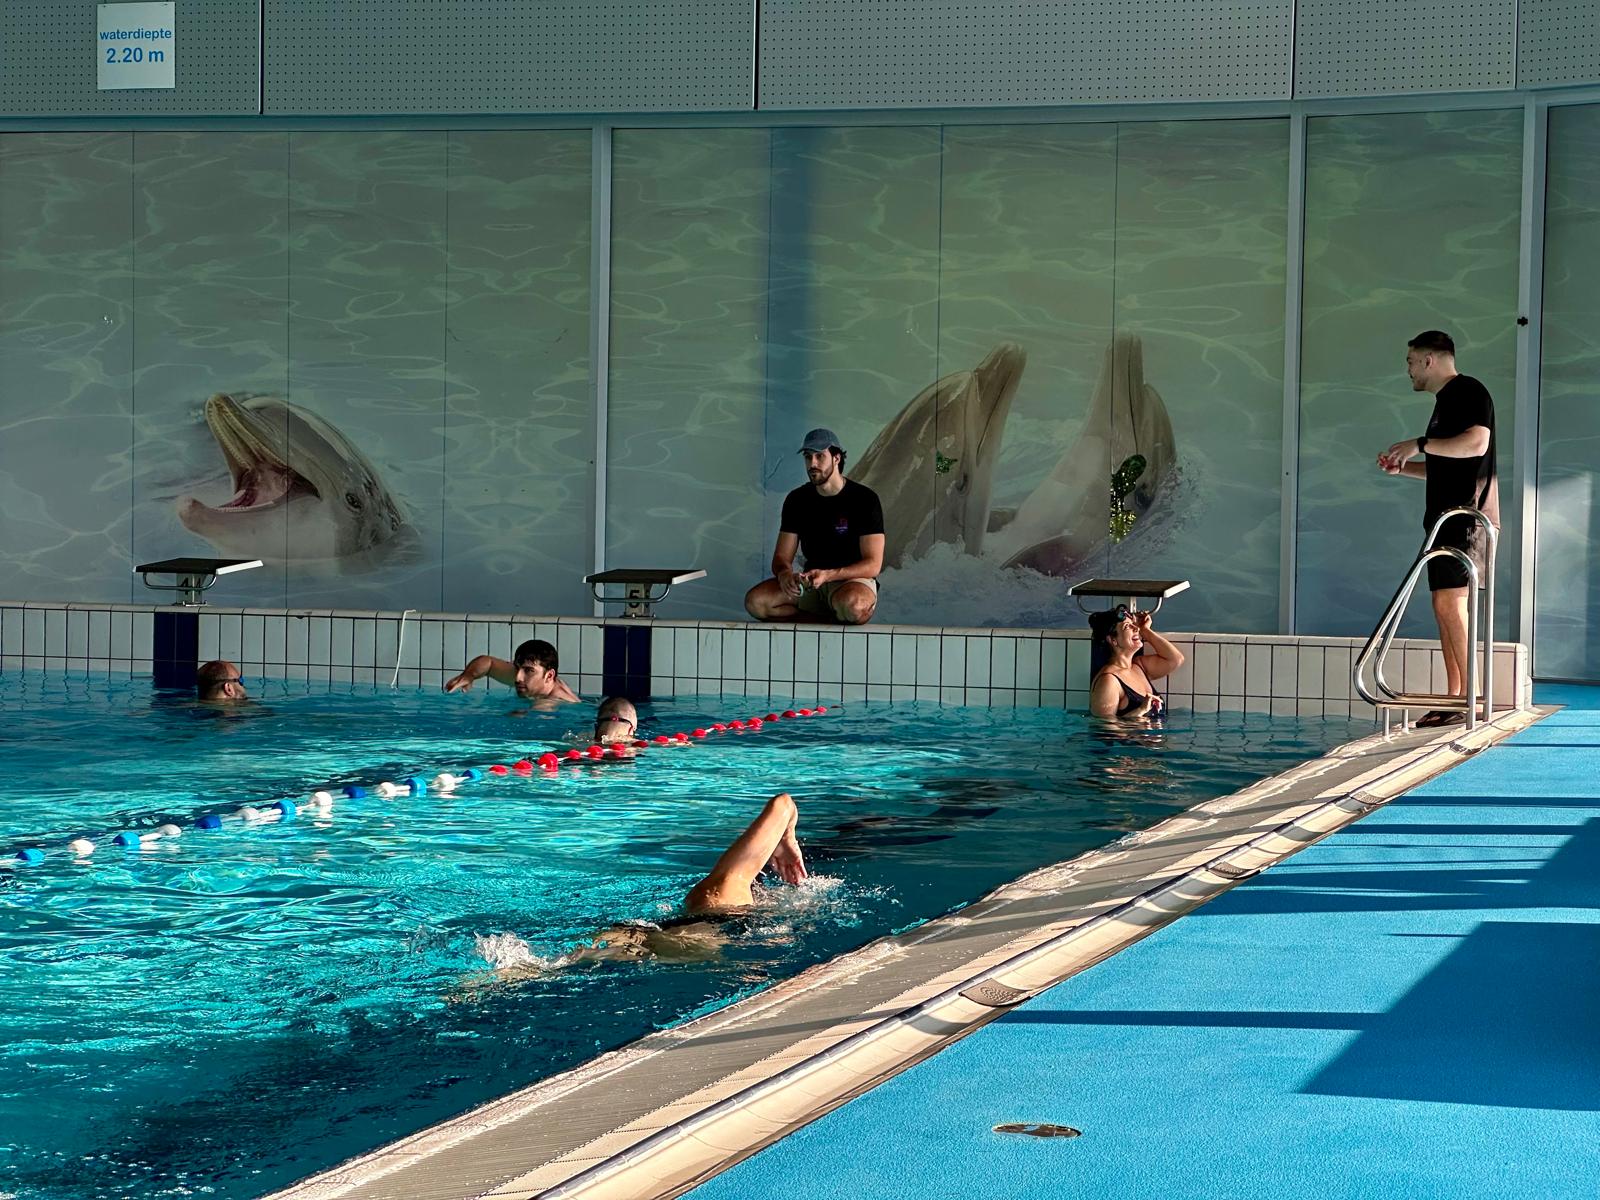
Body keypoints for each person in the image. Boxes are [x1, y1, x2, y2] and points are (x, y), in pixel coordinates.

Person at [1377, 330, 1499, 728]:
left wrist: (1418, 443)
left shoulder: (1467, 391)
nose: (1409, 370)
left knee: (1452, 604)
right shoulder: (1446, 402)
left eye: (1411, 362)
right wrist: (1404, 468)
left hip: (1466, 518)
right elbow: (1447, 465)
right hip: (1447, 518)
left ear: (1429, 360)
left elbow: (1476, 444)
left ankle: (1472, 698)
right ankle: (1456, 694)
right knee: (1442, 604)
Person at [568, 793, 808, 962]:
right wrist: (787, 840)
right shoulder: (731, 888)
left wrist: (787, 835)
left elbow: (784, 805)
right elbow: (783, 803)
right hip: (690, 944)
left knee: (568, 957)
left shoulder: (710, 895)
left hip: (657, 933)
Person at [745, 428, 885, 625]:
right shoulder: (797, 500)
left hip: (850, 581)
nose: (812, 464)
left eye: (820, 456)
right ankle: (823, 623)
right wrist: (785, 575)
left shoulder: (864, 499)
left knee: (853, 606)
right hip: (811, 584)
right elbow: (781, 557)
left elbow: (873, 565)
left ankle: (833, 616)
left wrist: (829, 575)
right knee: (756, 603)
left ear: (836, 458)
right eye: (808, 457)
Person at [1087, 606, 1185, 720]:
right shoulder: (1109, 681)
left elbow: (1175, 659)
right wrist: (1140, 710)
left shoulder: (1139, 666)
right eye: (1127, 626)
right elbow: (1104, 727)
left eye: (1133, 624)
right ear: (1113, 640)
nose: (1136, 628)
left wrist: (1145, 630)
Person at [443, 638, 579, 705]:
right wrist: (469, 675)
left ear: (549, 675)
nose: (518, 677)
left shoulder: (551, 701)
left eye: (528, 671)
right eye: (517, 668)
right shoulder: (531, 678)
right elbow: (488, 662)